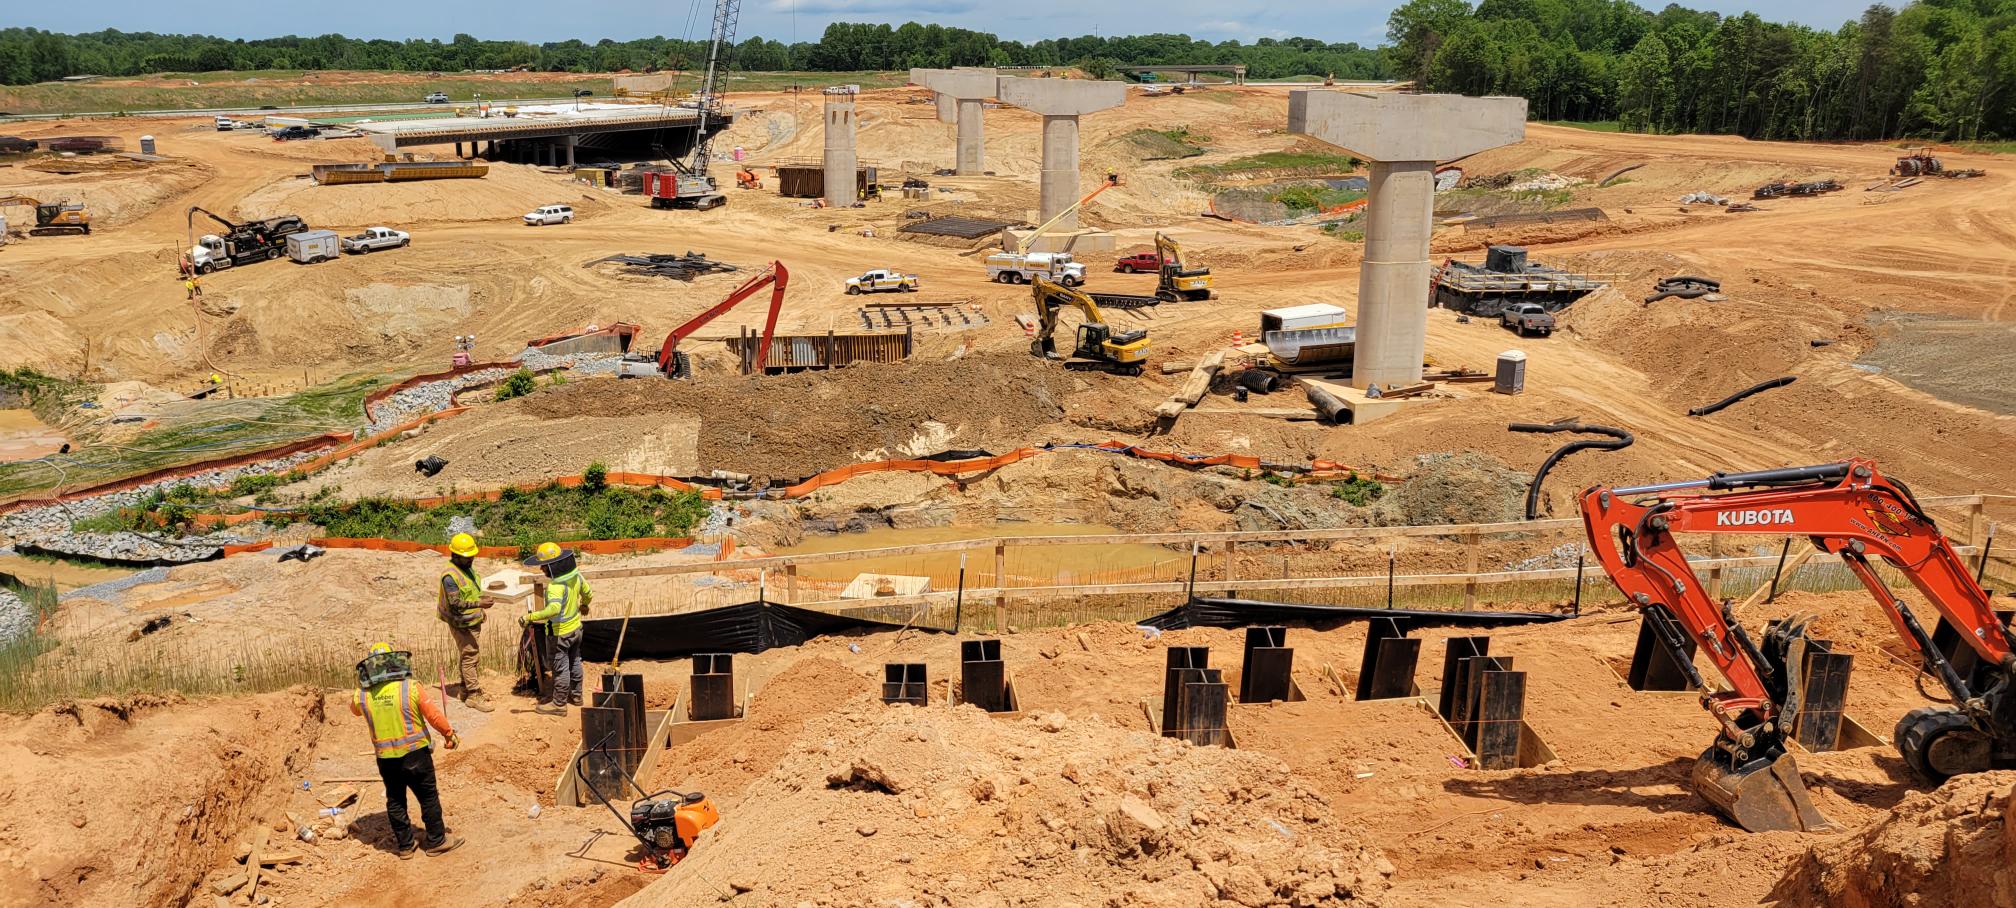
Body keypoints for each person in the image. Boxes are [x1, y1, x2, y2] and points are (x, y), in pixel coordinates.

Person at [349, 643, 465, 859]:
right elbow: (433, 716)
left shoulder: (361, 695)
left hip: (386, 759)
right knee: (428, 797)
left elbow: (354, 709)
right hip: (415, 754)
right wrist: (449, 734)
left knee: (395, 800)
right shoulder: (410, 687)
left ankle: (405, 846)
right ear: (394, 662)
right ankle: (436, 840)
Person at [520, 541, 590, 716]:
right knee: (575, 661)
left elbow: (553, 610)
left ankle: (558, 704)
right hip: (576, 629)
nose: (542, 569)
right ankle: (576, 696)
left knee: (560, 668)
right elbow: (588, 593)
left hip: (559, 634)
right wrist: (584, 606)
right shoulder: (577, 576)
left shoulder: (555, 587)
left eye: (544, 566)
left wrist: (530, 617)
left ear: (554, 565)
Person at [437, 533, 496, 712]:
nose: (471, 559)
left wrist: (479, 610)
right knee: (470, 656)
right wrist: (479, 604)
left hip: (471, 620)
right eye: (467, 557)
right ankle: (473, 695)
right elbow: (455, 605)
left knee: (468, 655)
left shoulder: (466, 569)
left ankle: (464, 688)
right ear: (455, 555)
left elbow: (470, 591)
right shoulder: (450, 577)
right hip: (460, 622)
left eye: (472, 556)